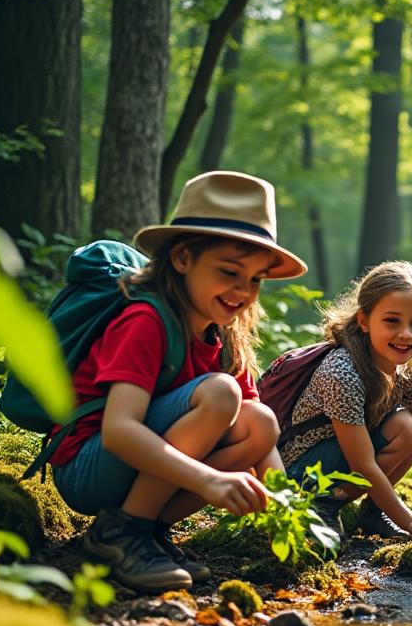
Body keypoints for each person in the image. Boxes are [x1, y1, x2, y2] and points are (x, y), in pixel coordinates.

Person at [51, 171, 305, 593]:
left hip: (137, 468)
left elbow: (260, 432)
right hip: (88, 465)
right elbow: (118, 431)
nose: (243, 290)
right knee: (221, 394)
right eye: (229, 271)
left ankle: (147, 532)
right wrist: (209, 481)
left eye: (256, 279)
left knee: (259, 422)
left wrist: (287, 505)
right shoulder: (146, 320)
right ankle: (121, 534)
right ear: (183, 258)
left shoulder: (225, 334)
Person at [279, 261, 412, 538]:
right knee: (403, 429)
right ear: (364, 321)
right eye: (392, 321)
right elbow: (363, 464)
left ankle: (373, 512)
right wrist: (410, 520)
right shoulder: (341, 372)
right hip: (301, 470)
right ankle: (322, 506)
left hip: (346, 461)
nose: (406, 334)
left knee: (408, 427)